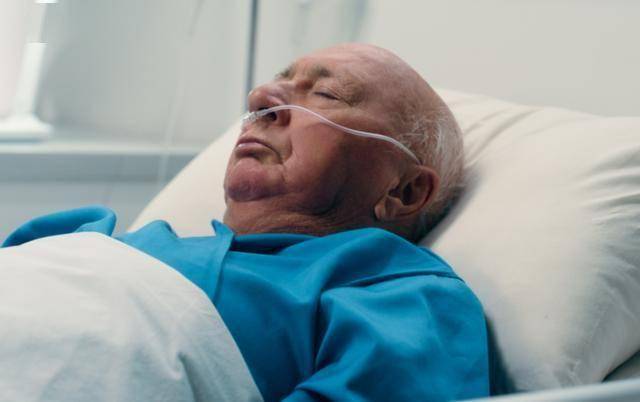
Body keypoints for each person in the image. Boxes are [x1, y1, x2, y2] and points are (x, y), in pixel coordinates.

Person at [3, 43, 488, 401]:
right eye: (277, 84)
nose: (261, 97)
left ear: (404, 192)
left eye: (325, 93)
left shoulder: (401, 293)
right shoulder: (100, 237)